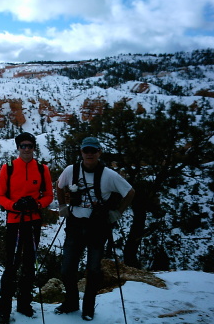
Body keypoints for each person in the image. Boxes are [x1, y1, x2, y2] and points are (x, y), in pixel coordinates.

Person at [55, 136, 135, 321]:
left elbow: (130, 192)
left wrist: (117, 212)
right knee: (67, 268)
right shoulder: (71, 170)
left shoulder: (109, 174)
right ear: (81, 152)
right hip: (75, 224)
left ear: (99, 152)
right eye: (86, 151)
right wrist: (62, 206)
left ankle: (88, 308)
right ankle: (71, 302)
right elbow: (59, 186)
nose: (89, 154)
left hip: (97, 227)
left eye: (93, 151)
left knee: (93, 269)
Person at [0, 132, 54, 324]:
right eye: (23, 146)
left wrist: (36, 205)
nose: (26, 149)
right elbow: (0, 196)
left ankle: (24, 304)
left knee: (29, 263)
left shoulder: (42, 168)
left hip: (33, 220)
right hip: (14, 221)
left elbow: (48, 196)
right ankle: (4, 310)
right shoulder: (8, 168)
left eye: (29, 146)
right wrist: (15, 205)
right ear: (18, 147)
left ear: (34, 147)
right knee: (11, 266)